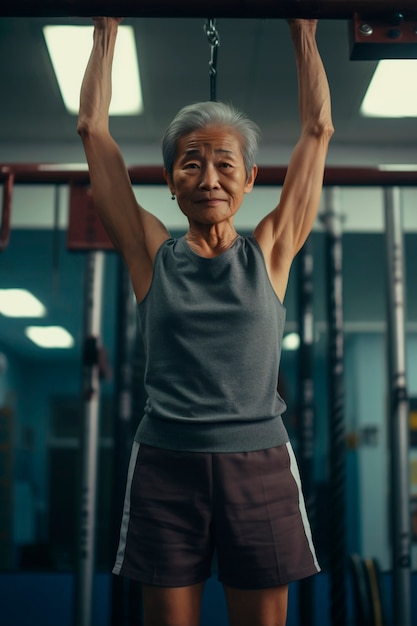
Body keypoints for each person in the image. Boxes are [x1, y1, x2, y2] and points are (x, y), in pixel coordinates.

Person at [78, 16, 333, 626]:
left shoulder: (272, 250)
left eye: (225, 164)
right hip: (167, 463)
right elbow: (92, 128)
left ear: (249, 180)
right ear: (170, 183)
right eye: (190, 164)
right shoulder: (151, 255)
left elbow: (318, 128)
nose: (209, 177)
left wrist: (304, 30)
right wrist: (105, 29)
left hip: (262, 465)